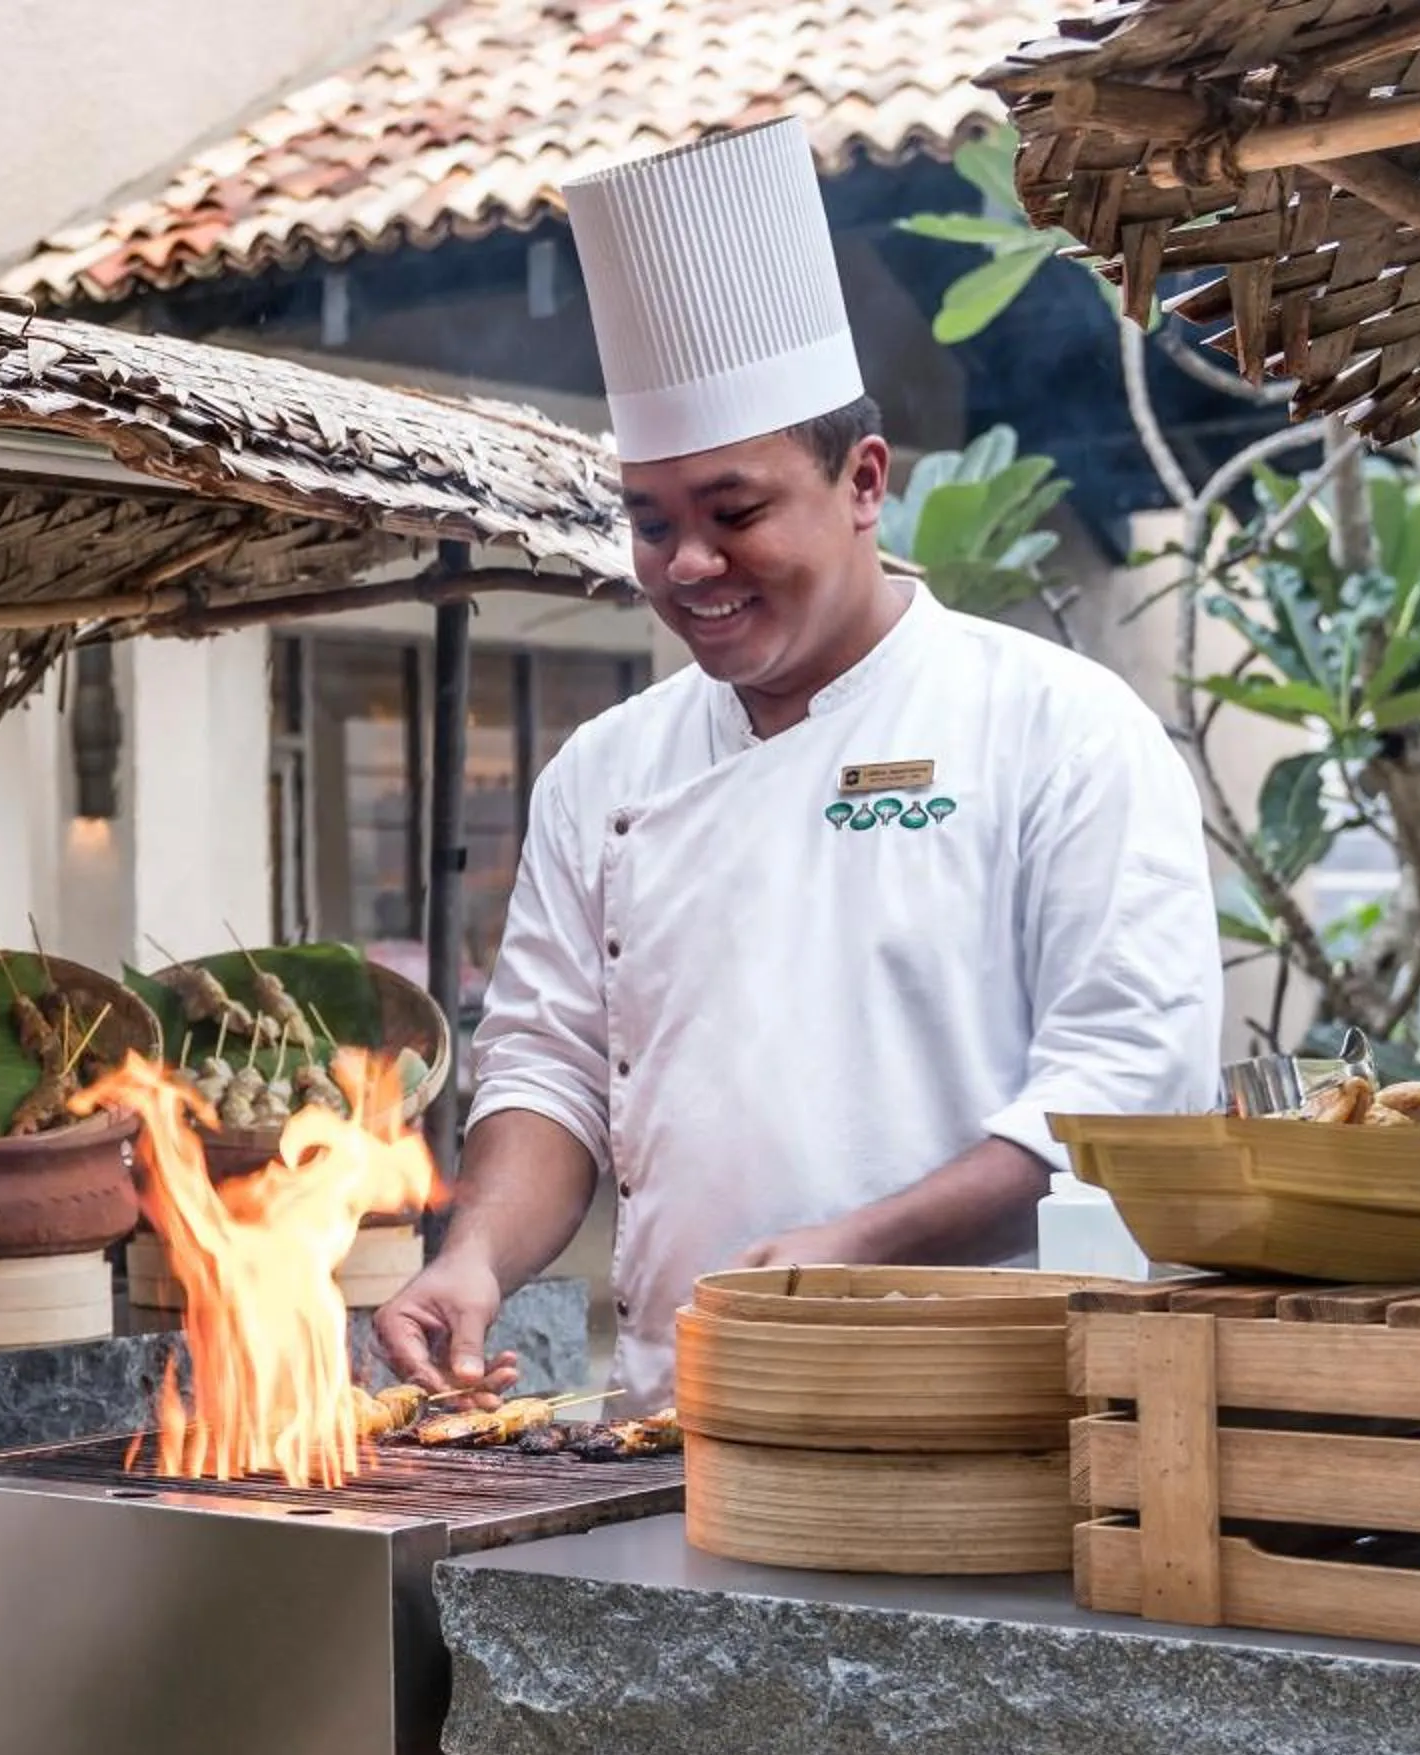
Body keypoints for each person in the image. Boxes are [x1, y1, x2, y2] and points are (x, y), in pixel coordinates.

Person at [373, 117, 1221, 1408]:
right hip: (678, 1420)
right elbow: (550, 1070)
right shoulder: (605, 772)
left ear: (866, 479)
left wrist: (852, 1249)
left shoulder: (1060, 728)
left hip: (984, 1412)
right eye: (652, 523)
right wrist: (474, 1253)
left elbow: (1128, 1087)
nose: (688, 567)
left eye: (735, 512)